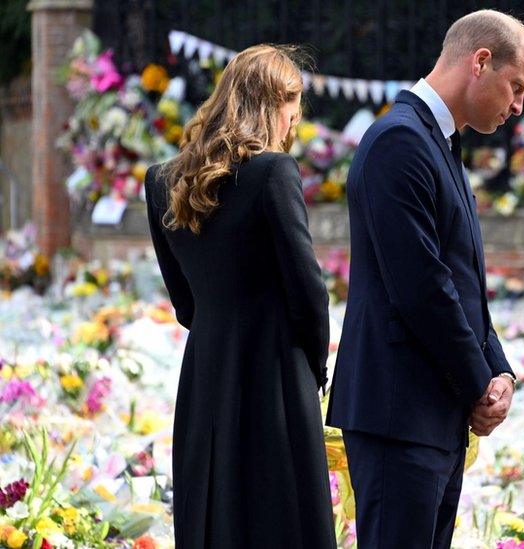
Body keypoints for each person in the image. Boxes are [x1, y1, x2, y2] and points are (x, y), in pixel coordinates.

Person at [326, 9, 524, 548]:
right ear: (480, 61)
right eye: (516, 87)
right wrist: (478, 385)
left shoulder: (437, 141)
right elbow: (422, 286)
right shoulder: (400, 141)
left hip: (430, 412)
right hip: (399, 412)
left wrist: (499, 371)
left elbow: (464, 279)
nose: (519, 107)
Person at [145, 44, 336, 548]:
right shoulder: (273, 171)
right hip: (274, 370)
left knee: (216, 514)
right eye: (292, 113)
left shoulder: (162, 180)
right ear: (276, 102)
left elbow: (183, 301)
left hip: (206, 369)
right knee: (282, 519)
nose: (292, 126)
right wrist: (314, 368)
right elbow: (308, 290)